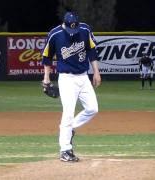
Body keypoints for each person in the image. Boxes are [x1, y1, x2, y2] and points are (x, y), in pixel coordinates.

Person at [41, 11, 101, 161]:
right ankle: (65, 150)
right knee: (68, 112)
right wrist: (46, 79)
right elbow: (46, 57)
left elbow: (92, 51)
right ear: (64, 24)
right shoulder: (55, 34)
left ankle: (70, 128)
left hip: (83, 77)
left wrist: (96, 72)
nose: (73, 32)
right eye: (70, 29)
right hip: (66, 78)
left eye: (75, 28)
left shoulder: (85, 30)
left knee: (93, 108)